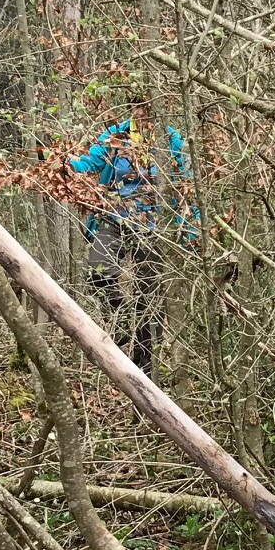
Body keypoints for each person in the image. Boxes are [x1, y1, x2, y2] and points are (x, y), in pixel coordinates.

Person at [67, 96, 195, 371]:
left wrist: (192, 229)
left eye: (146, 106)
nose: (141, 112)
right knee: (98, 270)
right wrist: (62, 163)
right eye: (136, 106)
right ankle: (122, 320)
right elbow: (90, 163)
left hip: (153, 225)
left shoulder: (171, 139)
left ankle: (144, 363)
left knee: (149, 295)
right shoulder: (115, 136)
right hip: (115, 216)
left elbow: (186, 184)